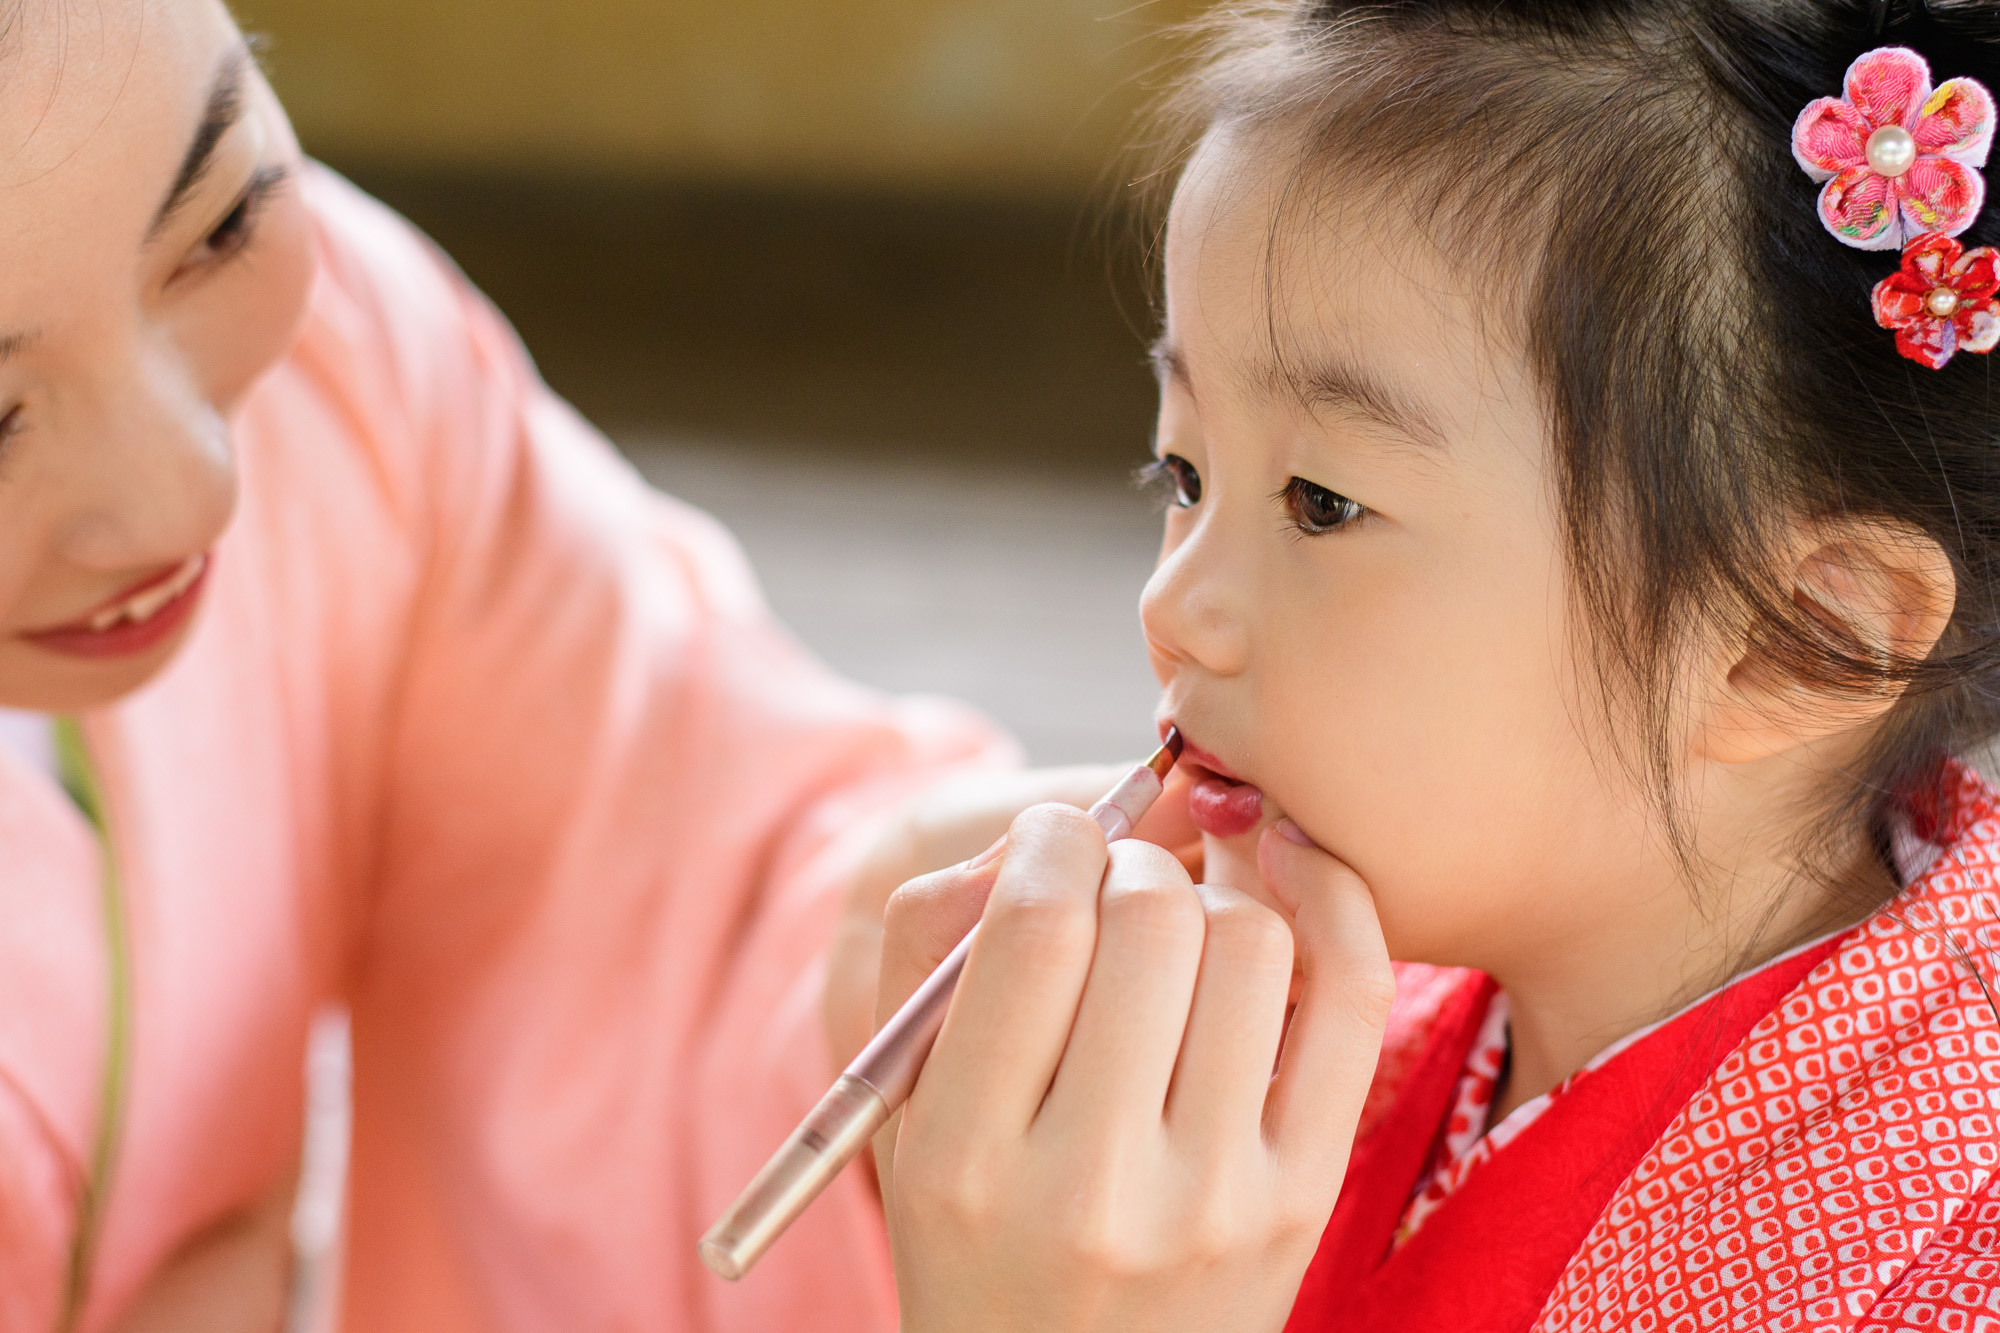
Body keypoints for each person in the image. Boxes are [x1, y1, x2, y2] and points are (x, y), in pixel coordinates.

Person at [837, 1, 2000, 1329]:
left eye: (1322, 502)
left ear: (1792, 639)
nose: (1174, 606)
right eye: (1185, 469)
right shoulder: (1369, 996)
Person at [0, 0, 1160, 1328]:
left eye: (218, 225)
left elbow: (653, 840)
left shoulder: (347, 375)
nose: (193, 498)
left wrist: (874, 974)